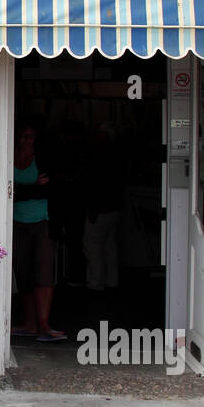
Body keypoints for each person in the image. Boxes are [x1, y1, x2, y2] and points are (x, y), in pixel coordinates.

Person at [11, 121, 66, 342]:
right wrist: (34, 187)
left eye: (30, 136)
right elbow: (9, 191)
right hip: (15, 222)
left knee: (43, 274)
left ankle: (44, 325)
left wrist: (25, 190)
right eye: (23, 136)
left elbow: (53, 189)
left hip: (42, 222)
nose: (26, 141)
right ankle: (30, 324)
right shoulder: (8, 156)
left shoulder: (45, 159)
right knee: (22, 274)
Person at [83, 123, 124, 292]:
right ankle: (112, 281)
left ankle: (95, 284)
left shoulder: (97, 155)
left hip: (99, 208)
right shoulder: (118, 155)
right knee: (110, 246)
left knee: (92, 246)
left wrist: (91, 207)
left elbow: (94, 184)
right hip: (115, 207)